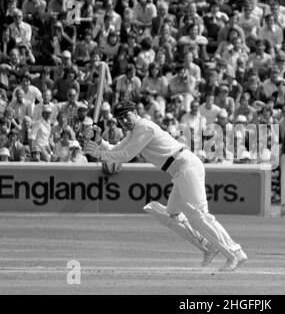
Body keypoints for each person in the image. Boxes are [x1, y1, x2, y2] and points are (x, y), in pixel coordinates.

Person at [84, 101, 248, 271]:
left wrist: (97, 153)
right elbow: (115, 148)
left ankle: (234, 253)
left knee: (200, 216)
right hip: (178, 171)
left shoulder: (144, 127)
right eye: (120, 119)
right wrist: (99, 141)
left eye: (126, 116)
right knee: (171, 215)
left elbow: (125, 155)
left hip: (186, 166)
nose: (123, 121)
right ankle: (209, 247)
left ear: (134, 112)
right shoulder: (134, 131)